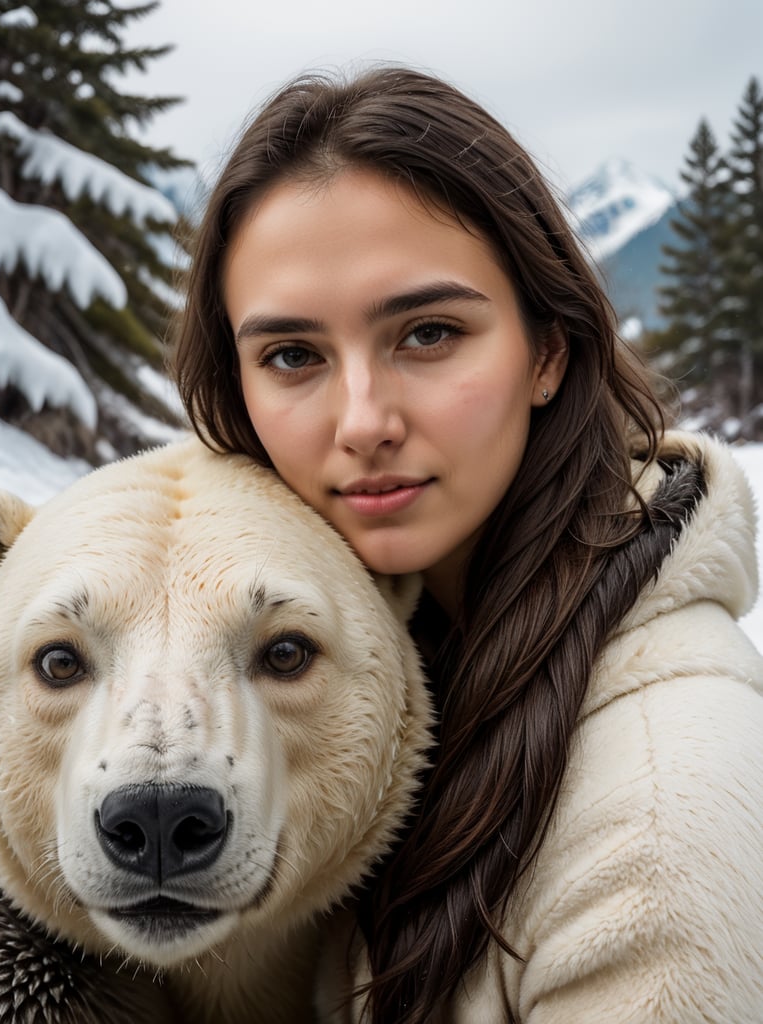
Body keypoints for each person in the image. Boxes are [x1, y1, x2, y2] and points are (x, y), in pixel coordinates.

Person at [171, 66, 763, 1023]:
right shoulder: (347, 671)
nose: (362, 422)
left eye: (428, 334)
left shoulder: (661, 814)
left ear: (546, 350)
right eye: (292, 355)